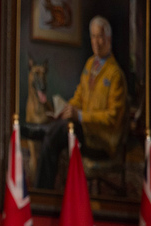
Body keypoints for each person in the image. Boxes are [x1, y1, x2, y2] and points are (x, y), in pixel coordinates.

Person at [31, 15, 127, 189]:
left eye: (101, 37)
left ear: (109, 39)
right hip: (86, 131)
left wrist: (80, 115)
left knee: (57, 132)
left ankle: (41, 191)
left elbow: (112, 117)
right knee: (58, 129)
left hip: (102, 139)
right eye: (93, 36)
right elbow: (80, 96)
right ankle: (42, 191)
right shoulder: (90, 65)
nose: (97, 42)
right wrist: (67, 108)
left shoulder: (115, 75)